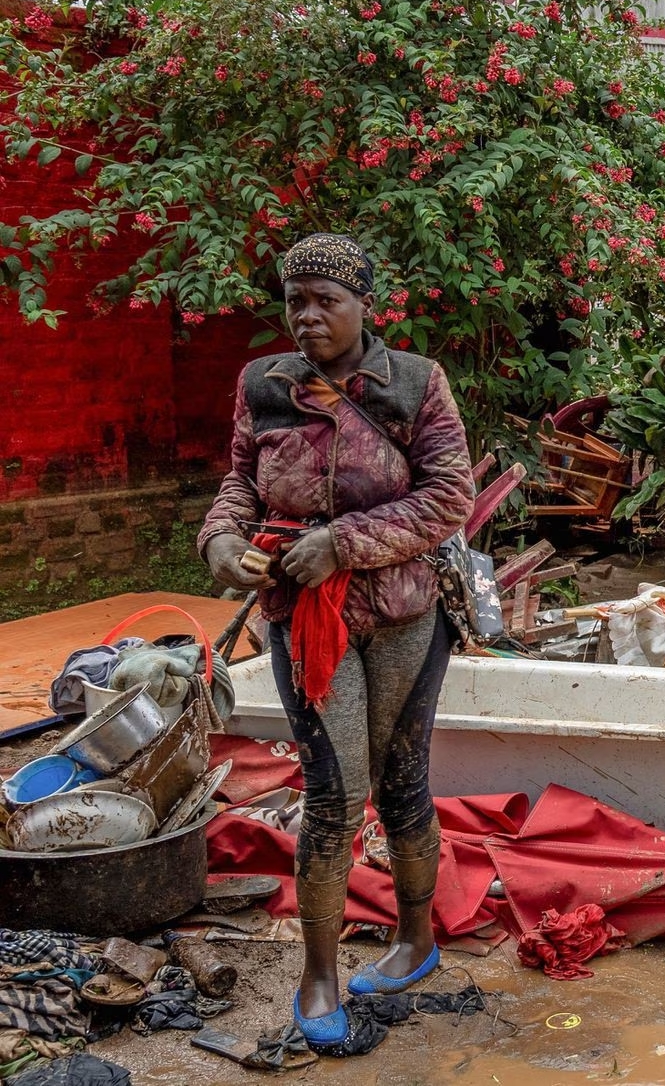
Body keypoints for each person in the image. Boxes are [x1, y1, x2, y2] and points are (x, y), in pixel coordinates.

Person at [199, 233, 474, 1046]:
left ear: (364, 305)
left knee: (401, 782)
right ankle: (319, 976)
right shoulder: (263, 384)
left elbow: (448, 495)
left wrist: (344, 543)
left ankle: (415, 939)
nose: (310, 317)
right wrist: (221, 541)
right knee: (331, 792)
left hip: (402, 611)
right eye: (297, 303)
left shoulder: (417, 384)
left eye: (329, 301)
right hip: (301, 617)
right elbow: (237, 484)